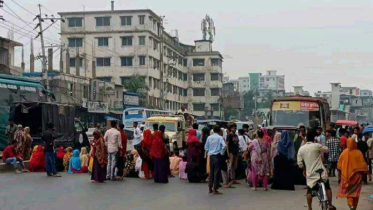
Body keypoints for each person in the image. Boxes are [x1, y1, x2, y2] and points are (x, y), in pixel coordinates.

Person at [297, 129, 335, 210]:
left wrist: (304, 169)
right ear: (314, 138)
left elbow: (299, 163)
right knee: (327, 187)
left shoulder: (301, 149)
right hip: (321, 172)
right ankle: (330, 205)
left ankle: (310, 208)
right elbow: (327, 150)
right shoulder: (317, 145)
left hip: (311, 173)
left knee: (309, 191)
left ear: (306, 139)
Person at [337, 138, 369, 210]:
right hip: (357, 177)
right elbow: (363, 165)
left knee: (349, 192)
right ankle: (354, 207)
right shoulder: (359, 153)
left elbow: (339, 165)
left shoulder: (344, 152)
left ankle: (350, 204)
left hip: (346, 176)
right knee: (356, 192)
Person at [204, 125, 226, 194]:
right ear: (219, 131)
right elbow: (224, 146)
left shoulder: (209, 137)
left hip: (210, 156)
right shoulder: (220, 137)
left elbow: (206, 147)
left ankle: (210, 187)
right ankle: (215, 188)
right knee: (217, 173)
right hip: (217, 156)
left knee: (211, 172)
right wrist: (222, 153)